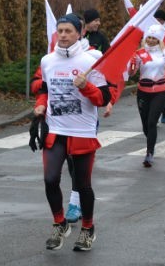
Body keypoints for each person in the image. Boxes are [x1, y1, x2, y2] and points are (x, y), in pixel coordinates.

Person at [33, 13, 111, 252]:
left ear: (80, 33)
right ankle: (60, 223)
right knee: (50, 179)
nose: (63, 35)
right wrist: (41, 103)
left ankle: (88, 228)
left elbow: (102, 99)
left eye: (68, 31)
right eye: (60, 31)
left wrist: (86, 86)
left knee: (82, 184)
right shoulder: (48, 61)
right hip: (55, 130)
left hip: (82, 132)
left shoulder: (92, 60)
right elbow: (45, 89)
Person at [129, 24, 165, 167]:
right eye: (148, 37)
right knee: (145, 125)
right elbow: (132, 73)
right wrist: (131, 66)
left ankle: (149, 153)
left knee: (151, 122)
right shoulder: (139, 53)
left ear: (159, 40)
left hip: (160, 91)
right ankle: (151, 140)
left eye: (154, 38)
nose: (150, 40)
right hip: (143, 92)